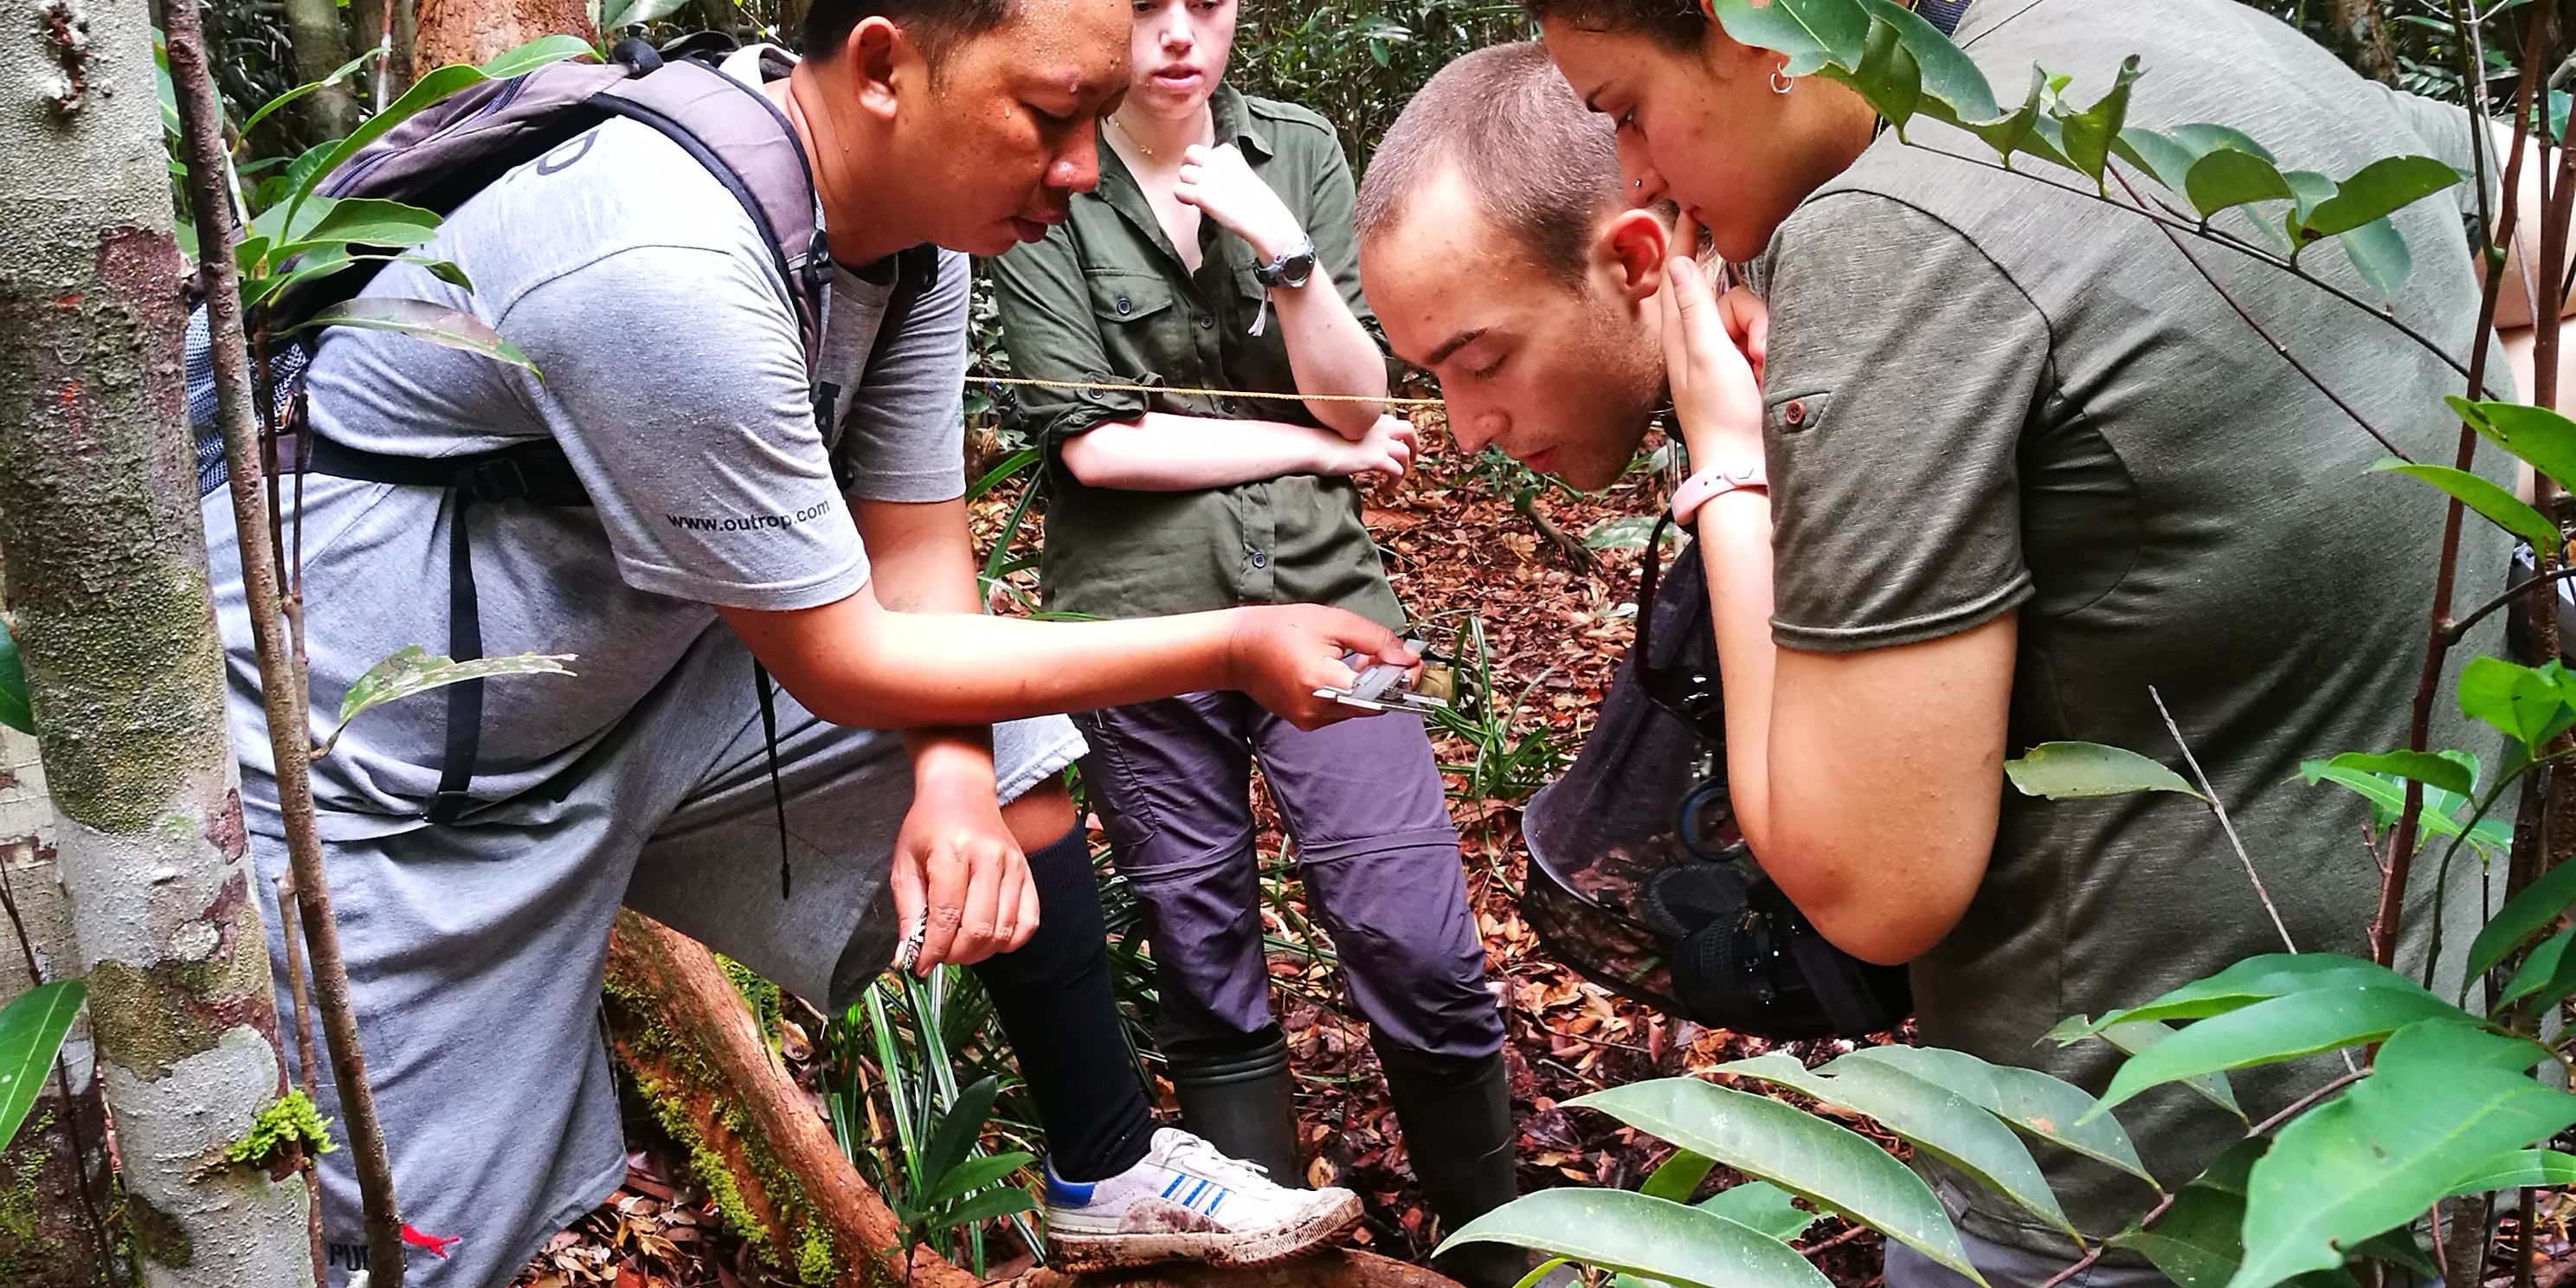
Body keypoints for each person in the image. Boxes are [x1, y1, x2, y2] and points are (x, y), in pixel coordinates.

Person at [190, 2, 1426, 1284]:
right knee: (416, 1239)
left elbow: (917, 557)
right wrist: (1232, 643)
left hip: (621, 673)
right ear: (884, 66)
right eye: (1051, 117)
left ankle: (1106, 1170)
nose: (1078, 165)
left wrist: (953, 778)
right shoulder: (666, 258)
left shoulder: (908, 247)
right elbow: (843, 658)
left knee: (1003, 741)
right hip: (375, 769)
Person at [1357, 10, 2554, 1286]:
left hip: (2121, 1184)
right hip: (2423, 1102)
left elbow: (1870, 885)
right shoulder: (2189, 42)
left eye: (1625, 108)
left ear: (1743, 24)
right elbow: (2540, 205)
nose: (1635, 167)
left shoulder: (1899, 229)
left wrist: (1729, 471)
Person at [984, 2, 1526, 1283]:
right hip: (1138, 627)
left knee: (1422, 944)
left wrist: (1282, 249)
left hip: (1333, 598)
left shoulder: (1298, 149)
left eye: (1209, 5)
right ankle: (1285, 1256)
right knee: (1202, 951)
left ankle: (1501, 1253)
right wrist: (1314, 446)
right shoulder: (1047, 172)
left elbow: (1359, 392)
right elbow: (1097, 445)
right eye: (1147, 7)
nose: (1178, 35)